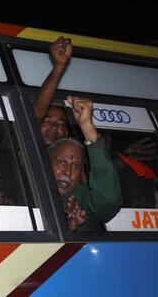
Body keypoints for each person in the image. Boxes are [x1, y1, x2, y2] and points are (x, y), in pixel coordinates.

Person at [48, 96, 121, 231]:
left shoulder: (80, 199)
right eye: (61, 162)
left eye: (76, 166)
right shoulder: (27, 191)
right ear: (46, 163)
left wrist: (87, 127)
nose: (67, 172)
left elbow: (107, 203)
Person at [33, 36, 73, 146]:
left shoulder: (71, 158)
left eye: (61, 124)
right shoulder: (26, 151)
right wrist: (59, 66)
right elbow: (38, 110)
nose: (54, 127)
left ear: (66, 133)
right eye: (47, 121)